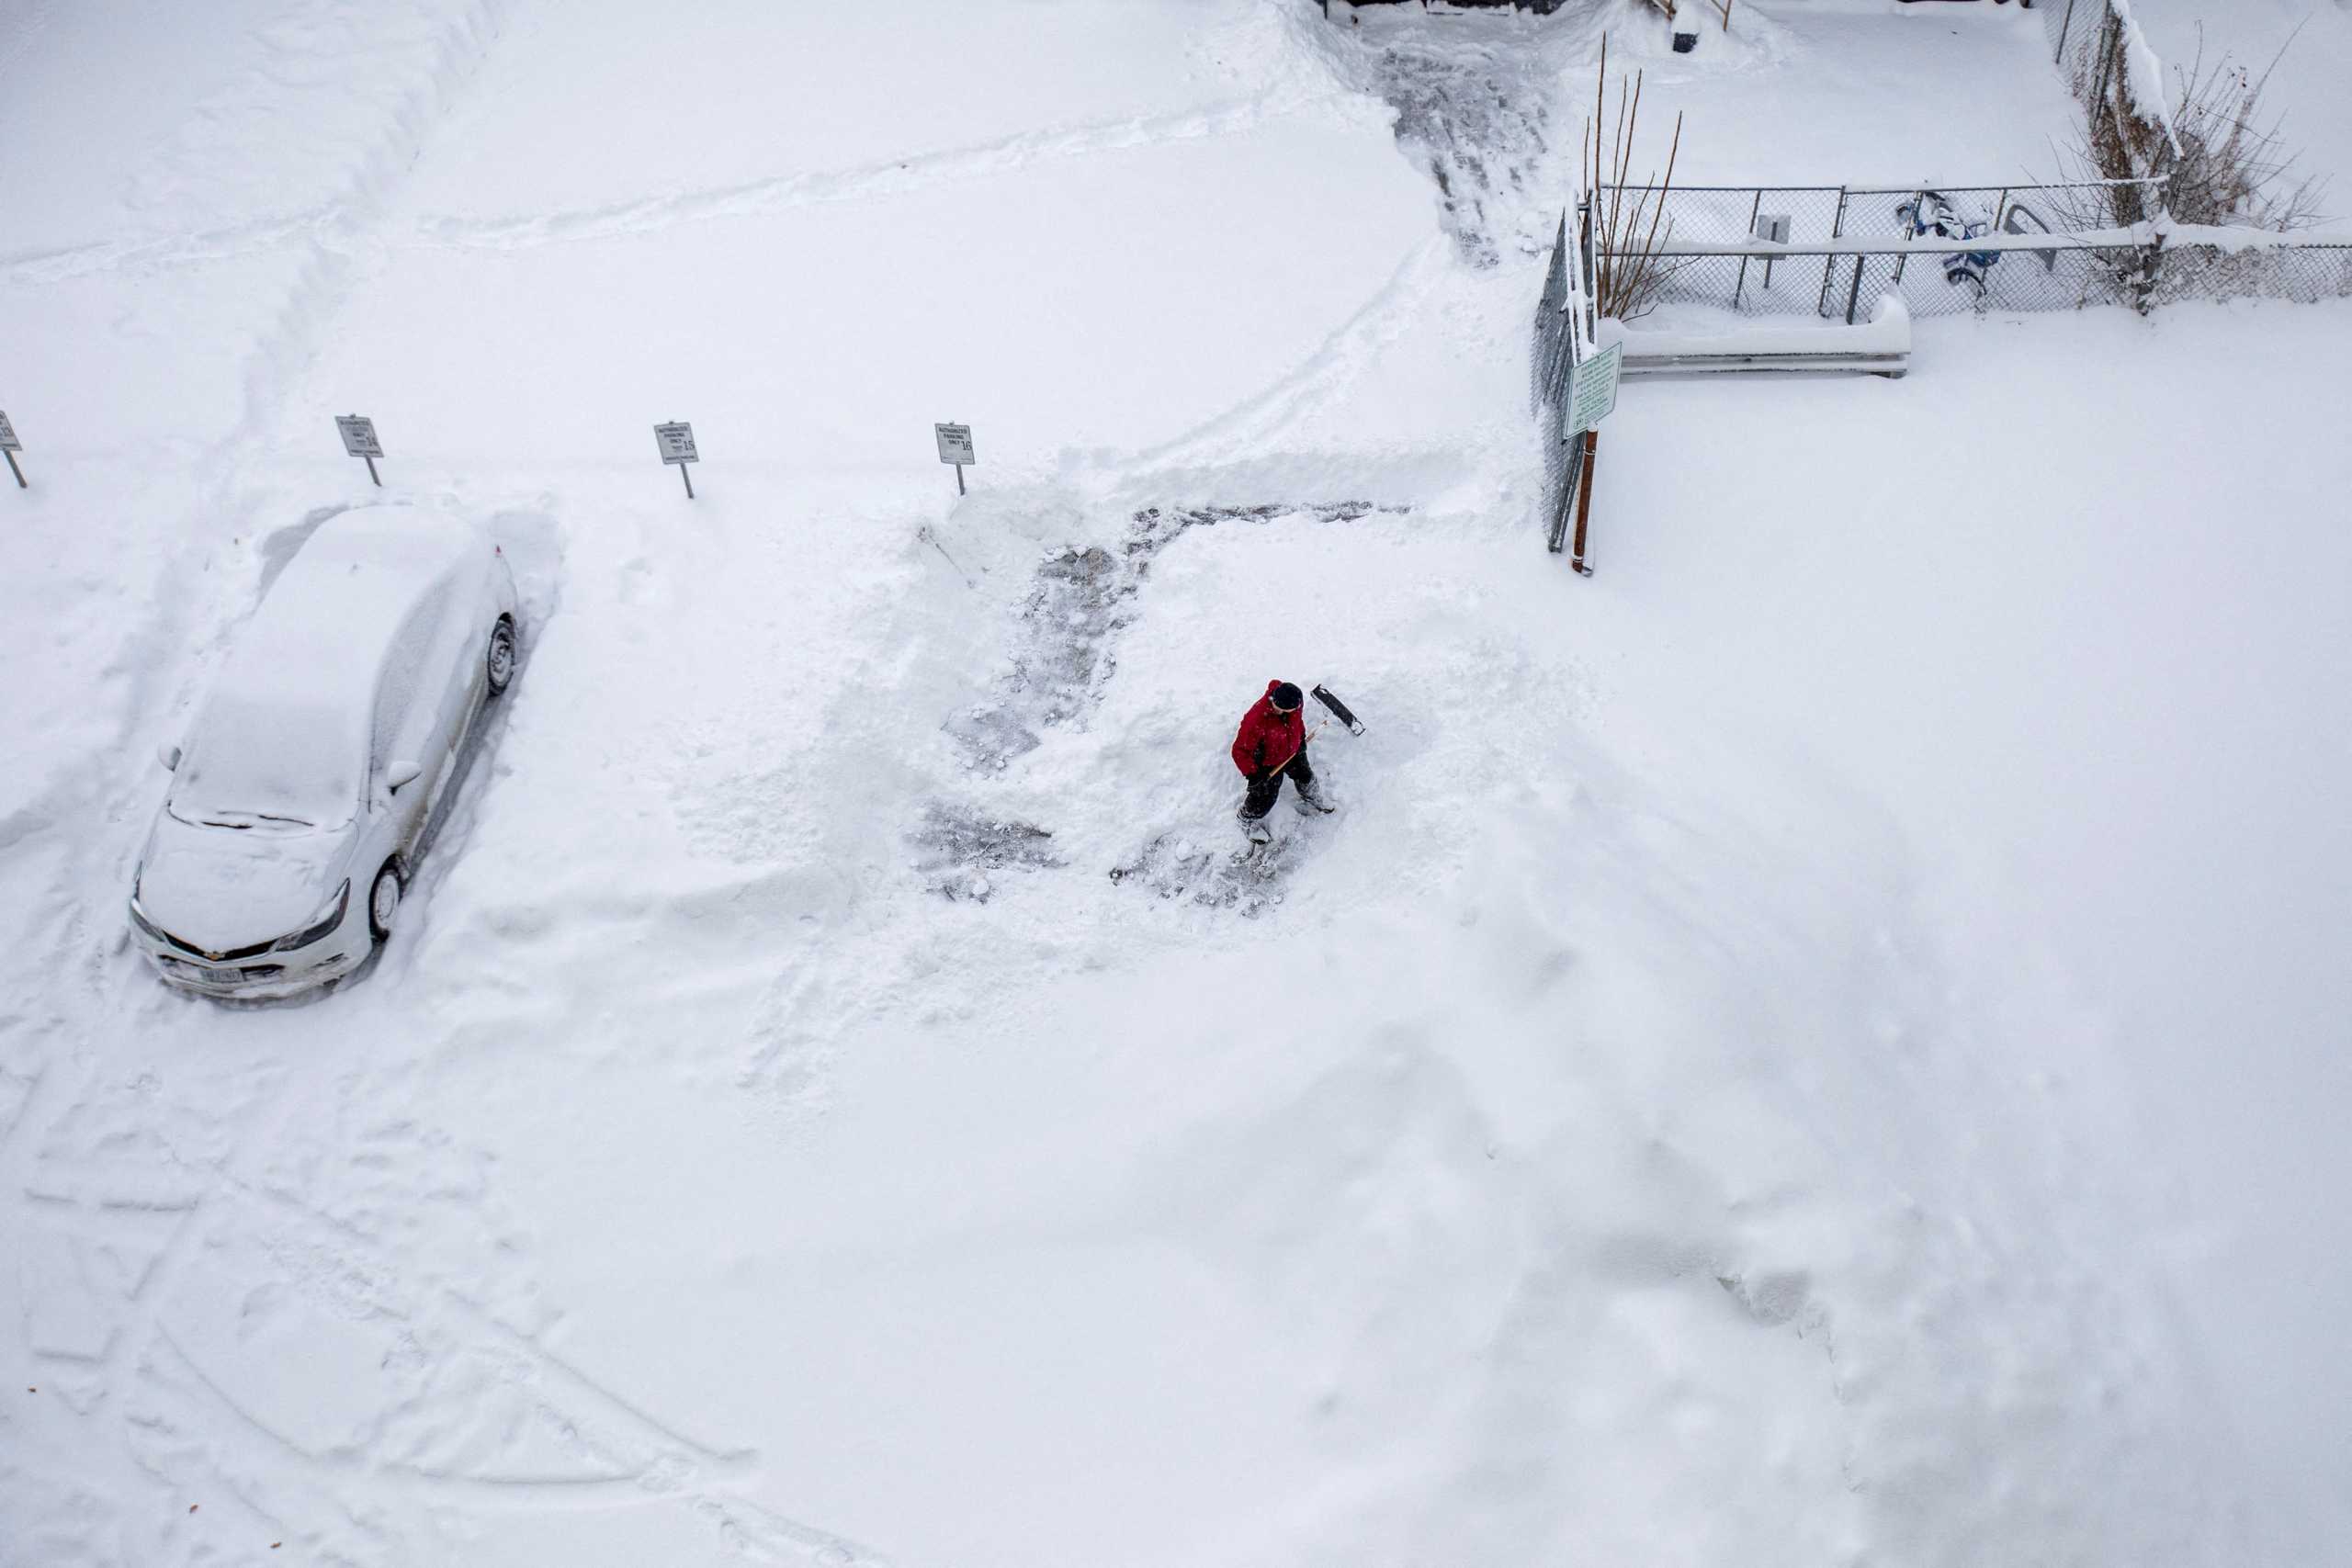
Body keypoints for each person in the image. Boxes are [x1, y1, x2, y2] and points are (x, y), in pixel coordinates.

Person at [1230, 680, 1334, 841]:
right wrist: (1253, 775)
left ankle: (1313, 797)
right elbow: (1239, 750)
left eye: (1284, 710)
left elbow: (1297, 723)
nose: (1277, 711)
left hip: (1291, 751)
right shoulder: (1256, 718)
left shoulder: (1296, 703)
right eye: (1276, 708)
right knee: (1265, 797)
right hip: (1266, 760)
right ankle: (1245, 820)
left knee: (1305, 776)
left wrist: (1300, 740)